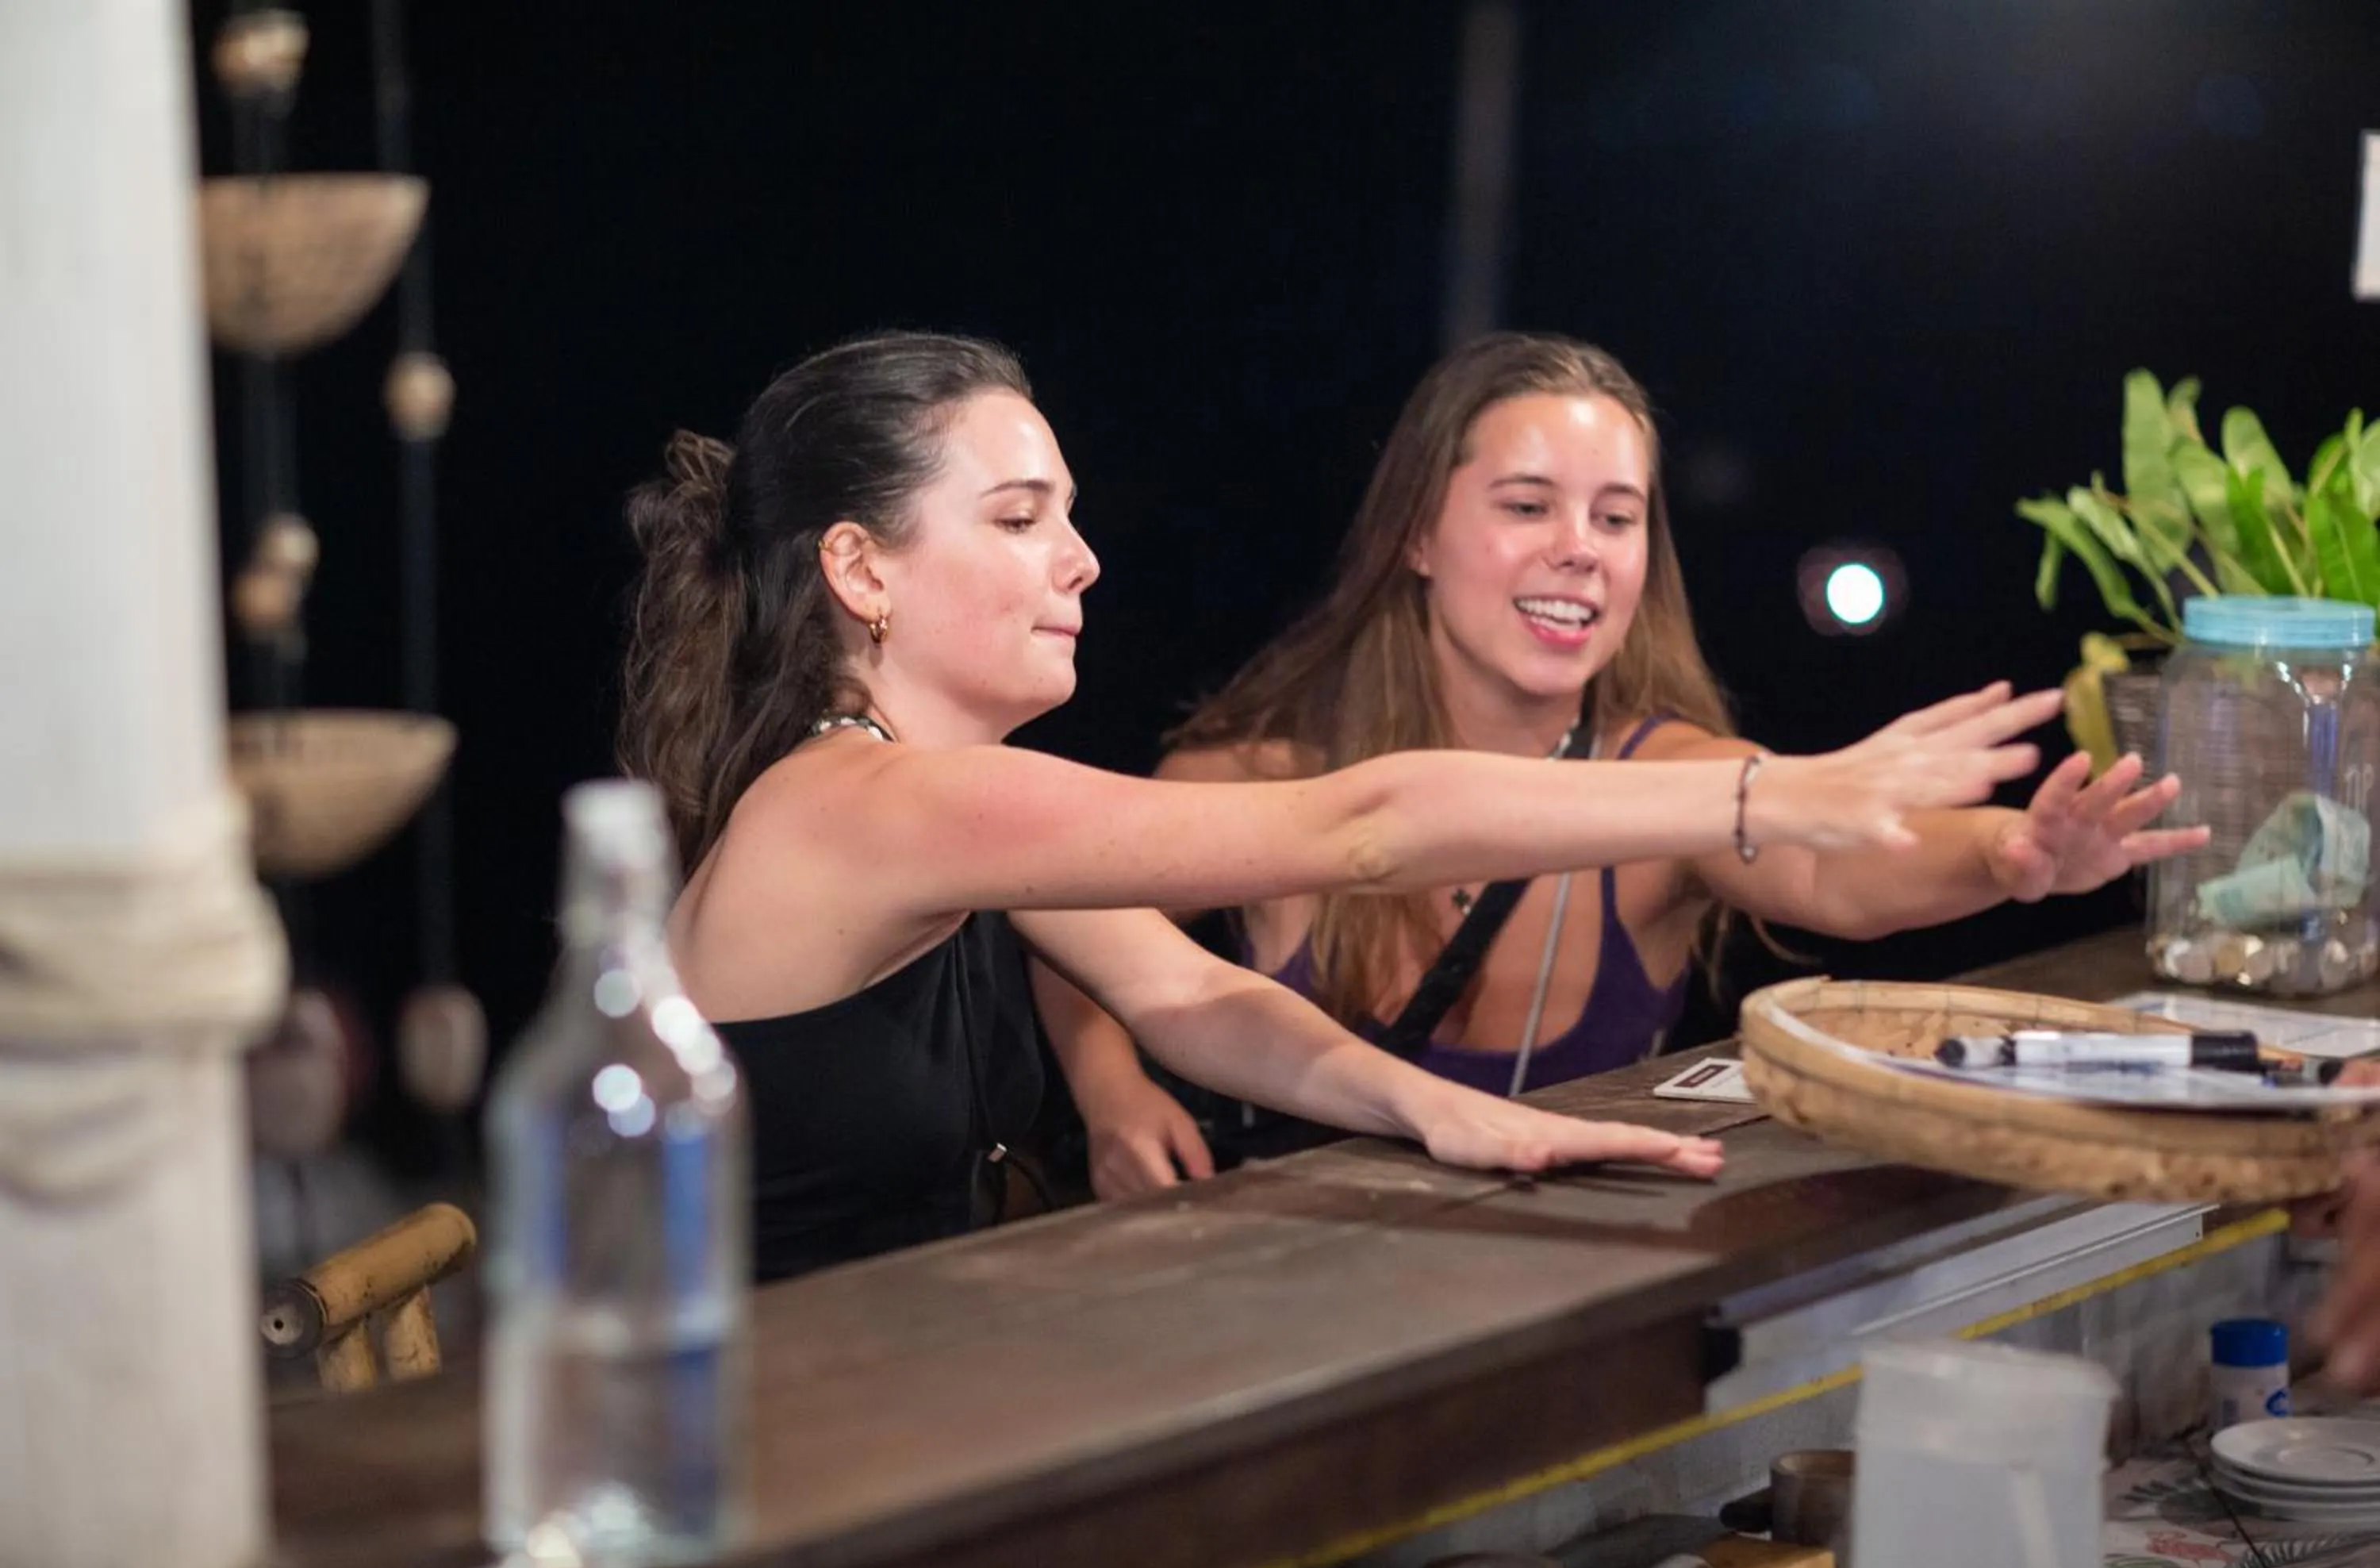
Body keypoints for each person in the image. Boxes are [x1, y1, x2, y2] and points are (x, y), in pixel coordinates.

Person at [617, 329, 2068, 1281]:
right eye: (1018, 520)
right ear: (862, 573)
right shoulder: (859, 805)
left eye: (1066, 512)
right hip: (745, 1456)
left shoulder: (918, 805)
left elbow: (1187, 996)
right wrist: (1781, 789)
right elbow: (1357, 825)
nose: (1083, 561)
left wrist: (1448, 1116)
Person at [1050, 332, 2205, 1198]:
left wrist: (2013, 852)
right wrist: (1111, 1093)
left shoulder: (1678, 776)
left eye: (1616, 518)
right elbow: (1071, 899)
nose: (1578, 552)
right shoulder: (1265, 778)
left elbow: (1836, 870)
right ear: (1415, 534)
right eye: (1527, 505)